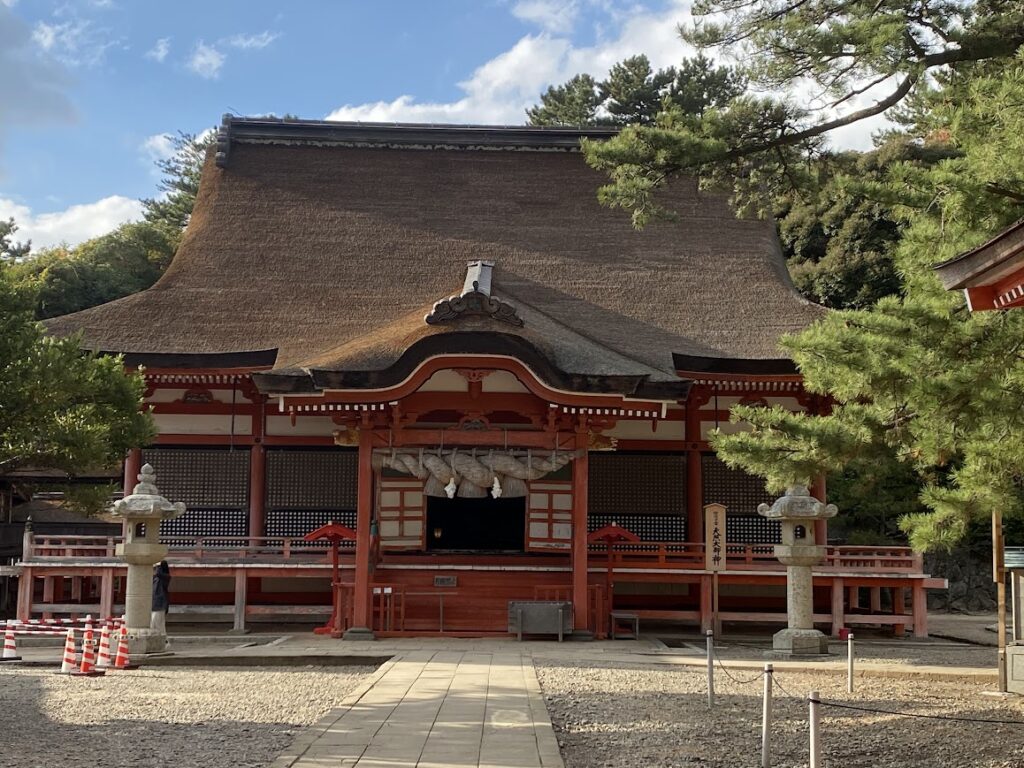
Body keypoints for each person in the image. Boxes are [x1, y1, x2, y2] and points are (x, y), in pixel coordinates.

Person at [151, 561, 171, 638]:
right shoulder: (155, 578)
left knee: (159, 625)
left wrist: (158, 565)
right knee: (152, 624)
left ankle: (163, 642)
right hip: (153, 603)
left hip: (160, 604)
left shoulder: (166, 577)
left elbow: (159, 574)